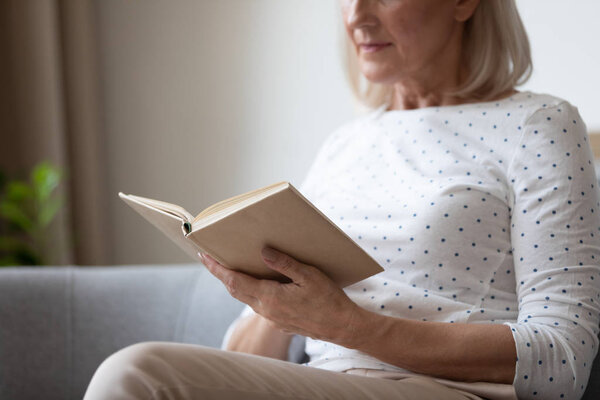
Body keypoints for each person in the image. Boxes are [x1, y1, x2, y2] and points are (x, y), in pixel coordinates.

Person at [84, 0, 600, 399]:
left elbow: (562, 359)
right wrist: (273, 296)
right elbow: (249, 354)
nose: (356, 16)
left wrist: (348, 325)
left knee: (137, 375)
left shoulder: (539, 126)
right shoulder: (347, 143)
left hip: (444, 391)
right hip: (325, 383)